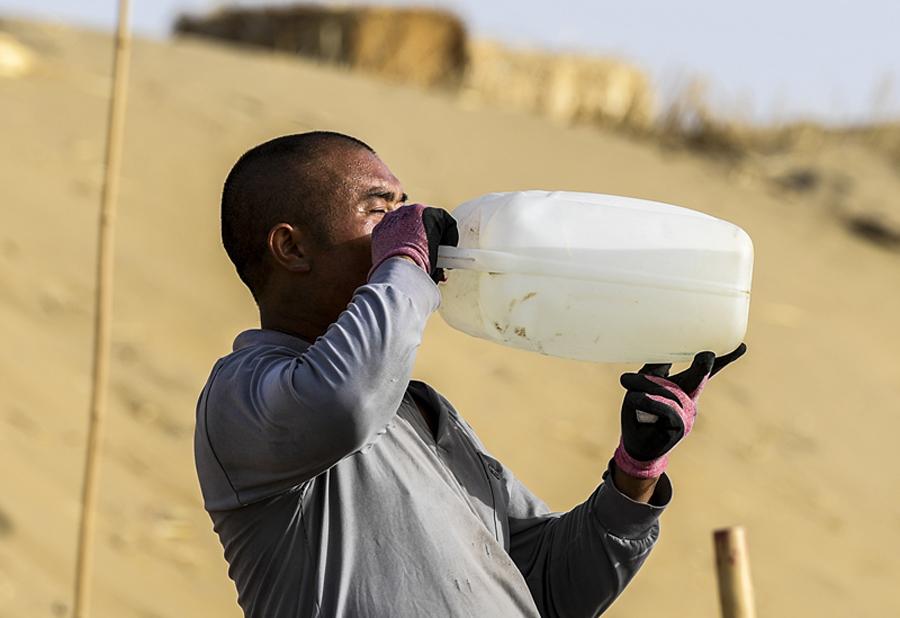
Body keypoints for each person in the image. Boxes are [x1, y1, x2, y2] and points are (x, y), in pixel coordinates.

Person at [194, 131, 746, 617]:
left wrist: (635, 470)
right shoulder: (242, 397)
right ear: (291, 247)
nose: (409, 227)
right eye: (379, 212)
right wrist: (405, 264)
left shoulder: (419, 410)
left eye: (403, 211)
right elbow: (344, 403)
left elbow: (550, 590)